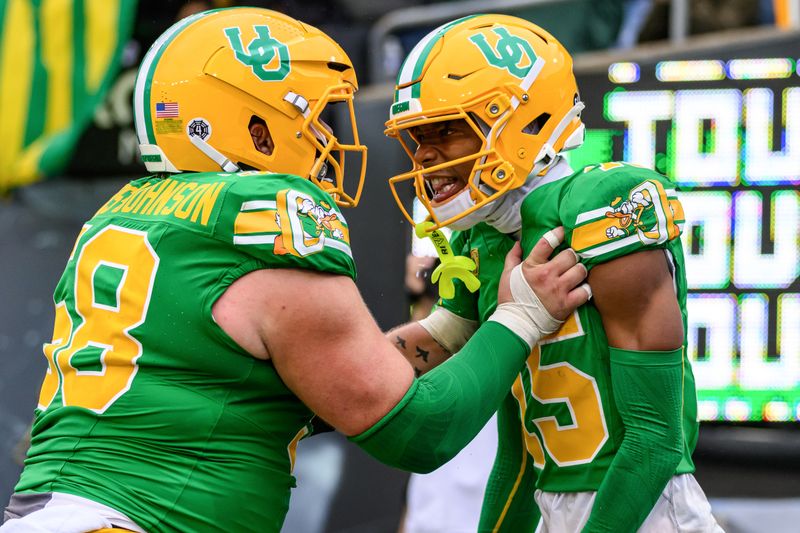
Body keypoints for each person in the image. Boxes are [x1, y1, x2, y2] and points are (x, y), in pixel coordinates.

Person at [1, 8, 591, 533]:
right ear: (255, 129)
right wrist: (520, 316)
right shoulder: (265, 216)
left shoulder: (126, 212)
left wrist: (446, 331)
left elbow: (280, 385)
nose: (329, 139)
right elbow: (419, 431)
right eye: (313, 119)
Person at [385, 14, 723, 533]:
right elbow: (518, 459)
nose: (425, 154)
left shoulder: (605, 207)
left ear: (526, 120)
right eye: (417, 136)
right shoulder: (481, 240)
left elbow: (656, 441)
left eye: (448, 128)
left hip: (649, 513)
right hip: (555, 510)